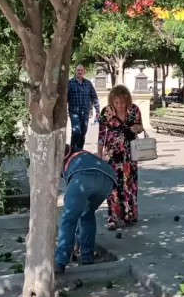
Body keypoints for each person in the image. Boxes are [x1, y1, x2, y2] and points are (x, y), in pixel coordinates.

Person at [55, 145, 117, 274]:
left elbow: (73, 211)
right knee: (87, 214)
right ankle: (87, 257)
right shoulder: (82, 154)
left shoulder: (64, 161)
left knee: (69, 217)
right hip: (108, 178)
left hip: (83, 176)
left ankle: (60, 261)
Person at [98, 84, 143, 230]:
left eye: (123, 102)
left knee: (129, 186)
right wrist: (99, 155)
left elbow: (140, 127)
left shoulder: (134, 110)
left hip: (130, 155)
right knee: (113, 187)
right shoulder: (106, 112)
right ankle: (113, 217)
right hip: (112, 155)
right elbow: (101, 135)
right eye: (116, 102)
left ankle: (129, 215)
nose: (120, 106)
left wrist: (136, 128)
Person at [67, 65, 101, 152]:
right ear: (75, 71)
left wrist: (97, 110)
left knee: (83, 133)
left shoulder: (88, 83)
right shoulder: (70, 83)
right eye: (78, 70)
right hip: (74, 112)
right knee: (76, 131)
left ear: (84, 72)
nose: (80, 72)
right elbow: (65, 98)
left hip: (85, 113)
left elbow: (94, 97)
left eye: (81, 70)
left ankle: (79, 150)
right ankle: (72, 150)